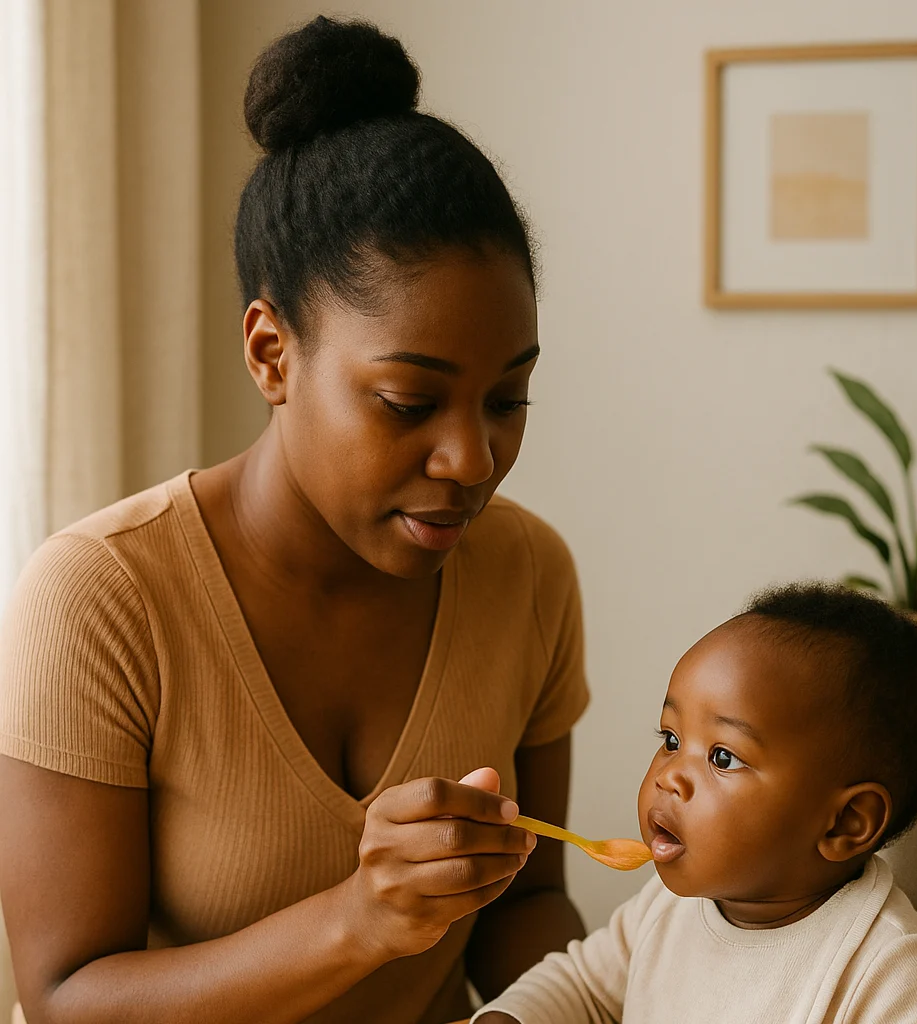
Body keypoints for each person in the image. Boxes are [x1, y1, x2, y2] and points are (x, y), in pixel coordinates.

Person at [0, 16, 590, 1024]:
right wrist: (360, 919)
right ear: (272, 353)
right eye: (409, 403)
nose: (472, 461)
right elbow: (66, 999)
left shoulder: (527, 572)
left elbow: (521, 902)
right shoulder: (98, 596)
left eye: (506, 400)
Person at [472, 583, 917, 1023]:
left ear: (845, 822)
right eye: (670, 739)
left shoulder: (889, 977)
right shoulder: (665, 909)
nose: (669, 777)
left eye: (723, 757)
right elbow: (580, 988)